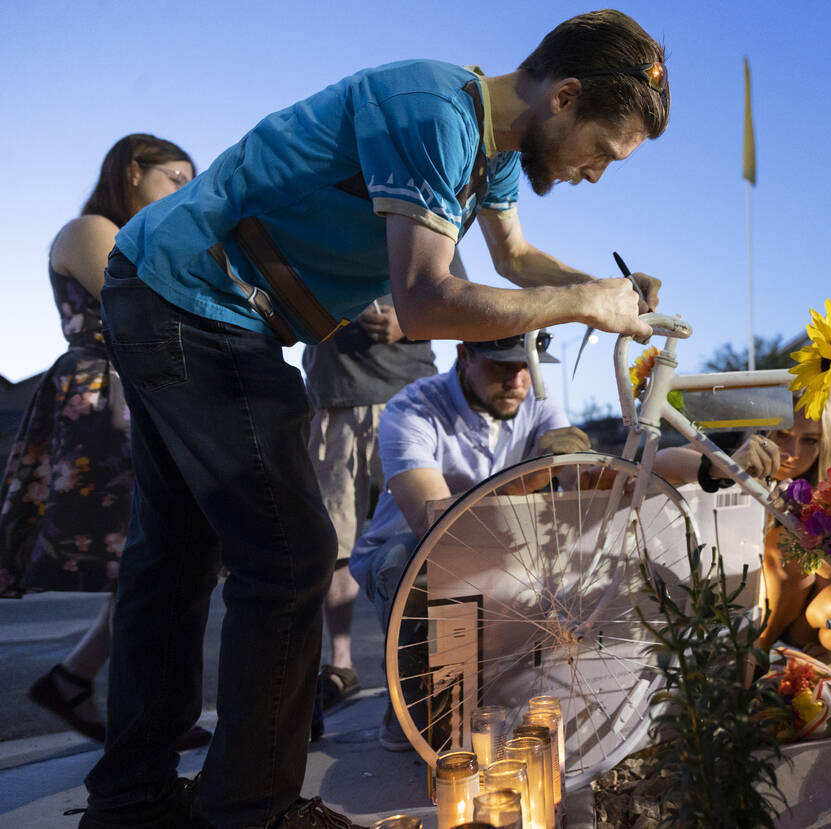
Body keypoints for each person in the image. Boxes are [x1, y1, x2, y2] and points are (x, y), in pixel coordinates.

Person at [83, 10, 669, 828]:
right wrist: (585, 302)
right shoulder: (434, 110)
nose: (595, 173)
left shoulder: (488, 148)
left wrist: (613, 300)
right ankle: (253, 808)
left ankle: (132, 797)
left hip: (175, 290)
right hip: (197, 297)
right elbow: (424, 299)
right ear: (564, 96)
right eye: (602, 151)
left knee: (175, 554)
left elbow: (515, 258)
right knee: (292, 556)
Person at [0, 134, 211, 752]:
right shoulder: (90, 226)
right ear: (132, 171)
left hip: (140, 393)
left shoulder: (144, 235)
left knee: (148, 561)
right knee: (151, 559)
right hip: (103, 397)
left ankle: (76, 682)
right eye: (176, 177)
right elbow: (147, 301)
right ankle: (142, 719)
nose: (185, 190)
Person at [346, 333, 589, 750]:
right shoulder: (413, 408)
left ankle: (488, 689)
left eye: (527, 366)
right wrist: (531, 479)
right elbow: (437, 526)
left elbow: (581, 485)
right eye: (502, 366)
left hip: (501, 538)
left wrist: (584, 465)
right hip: (411, 547)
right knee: (412, 566)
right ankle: (413, 699)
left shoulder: (538, 398)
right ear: (464, 355)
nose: (518, 380)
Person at [302, 250, 465, 713]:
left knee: (437, 533)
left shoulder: (431, 224)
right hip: (337, 399)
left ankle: (439, 668)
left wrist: (409, 323)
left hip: (412, 400)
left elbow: (461, 308)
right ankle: (340, 665)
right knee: (337, 539)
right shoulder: (320, 216)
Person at [757, 391, 831, 655]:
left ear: (827, 442)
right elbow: (681, 457)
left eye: (810, 440)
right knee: (784, 546)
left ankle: (809, 663)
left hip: (804, 621)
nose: (792, 454)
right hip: (750, 604)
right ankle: (752, 656)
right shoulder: (732, 463)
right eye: (782, 434)